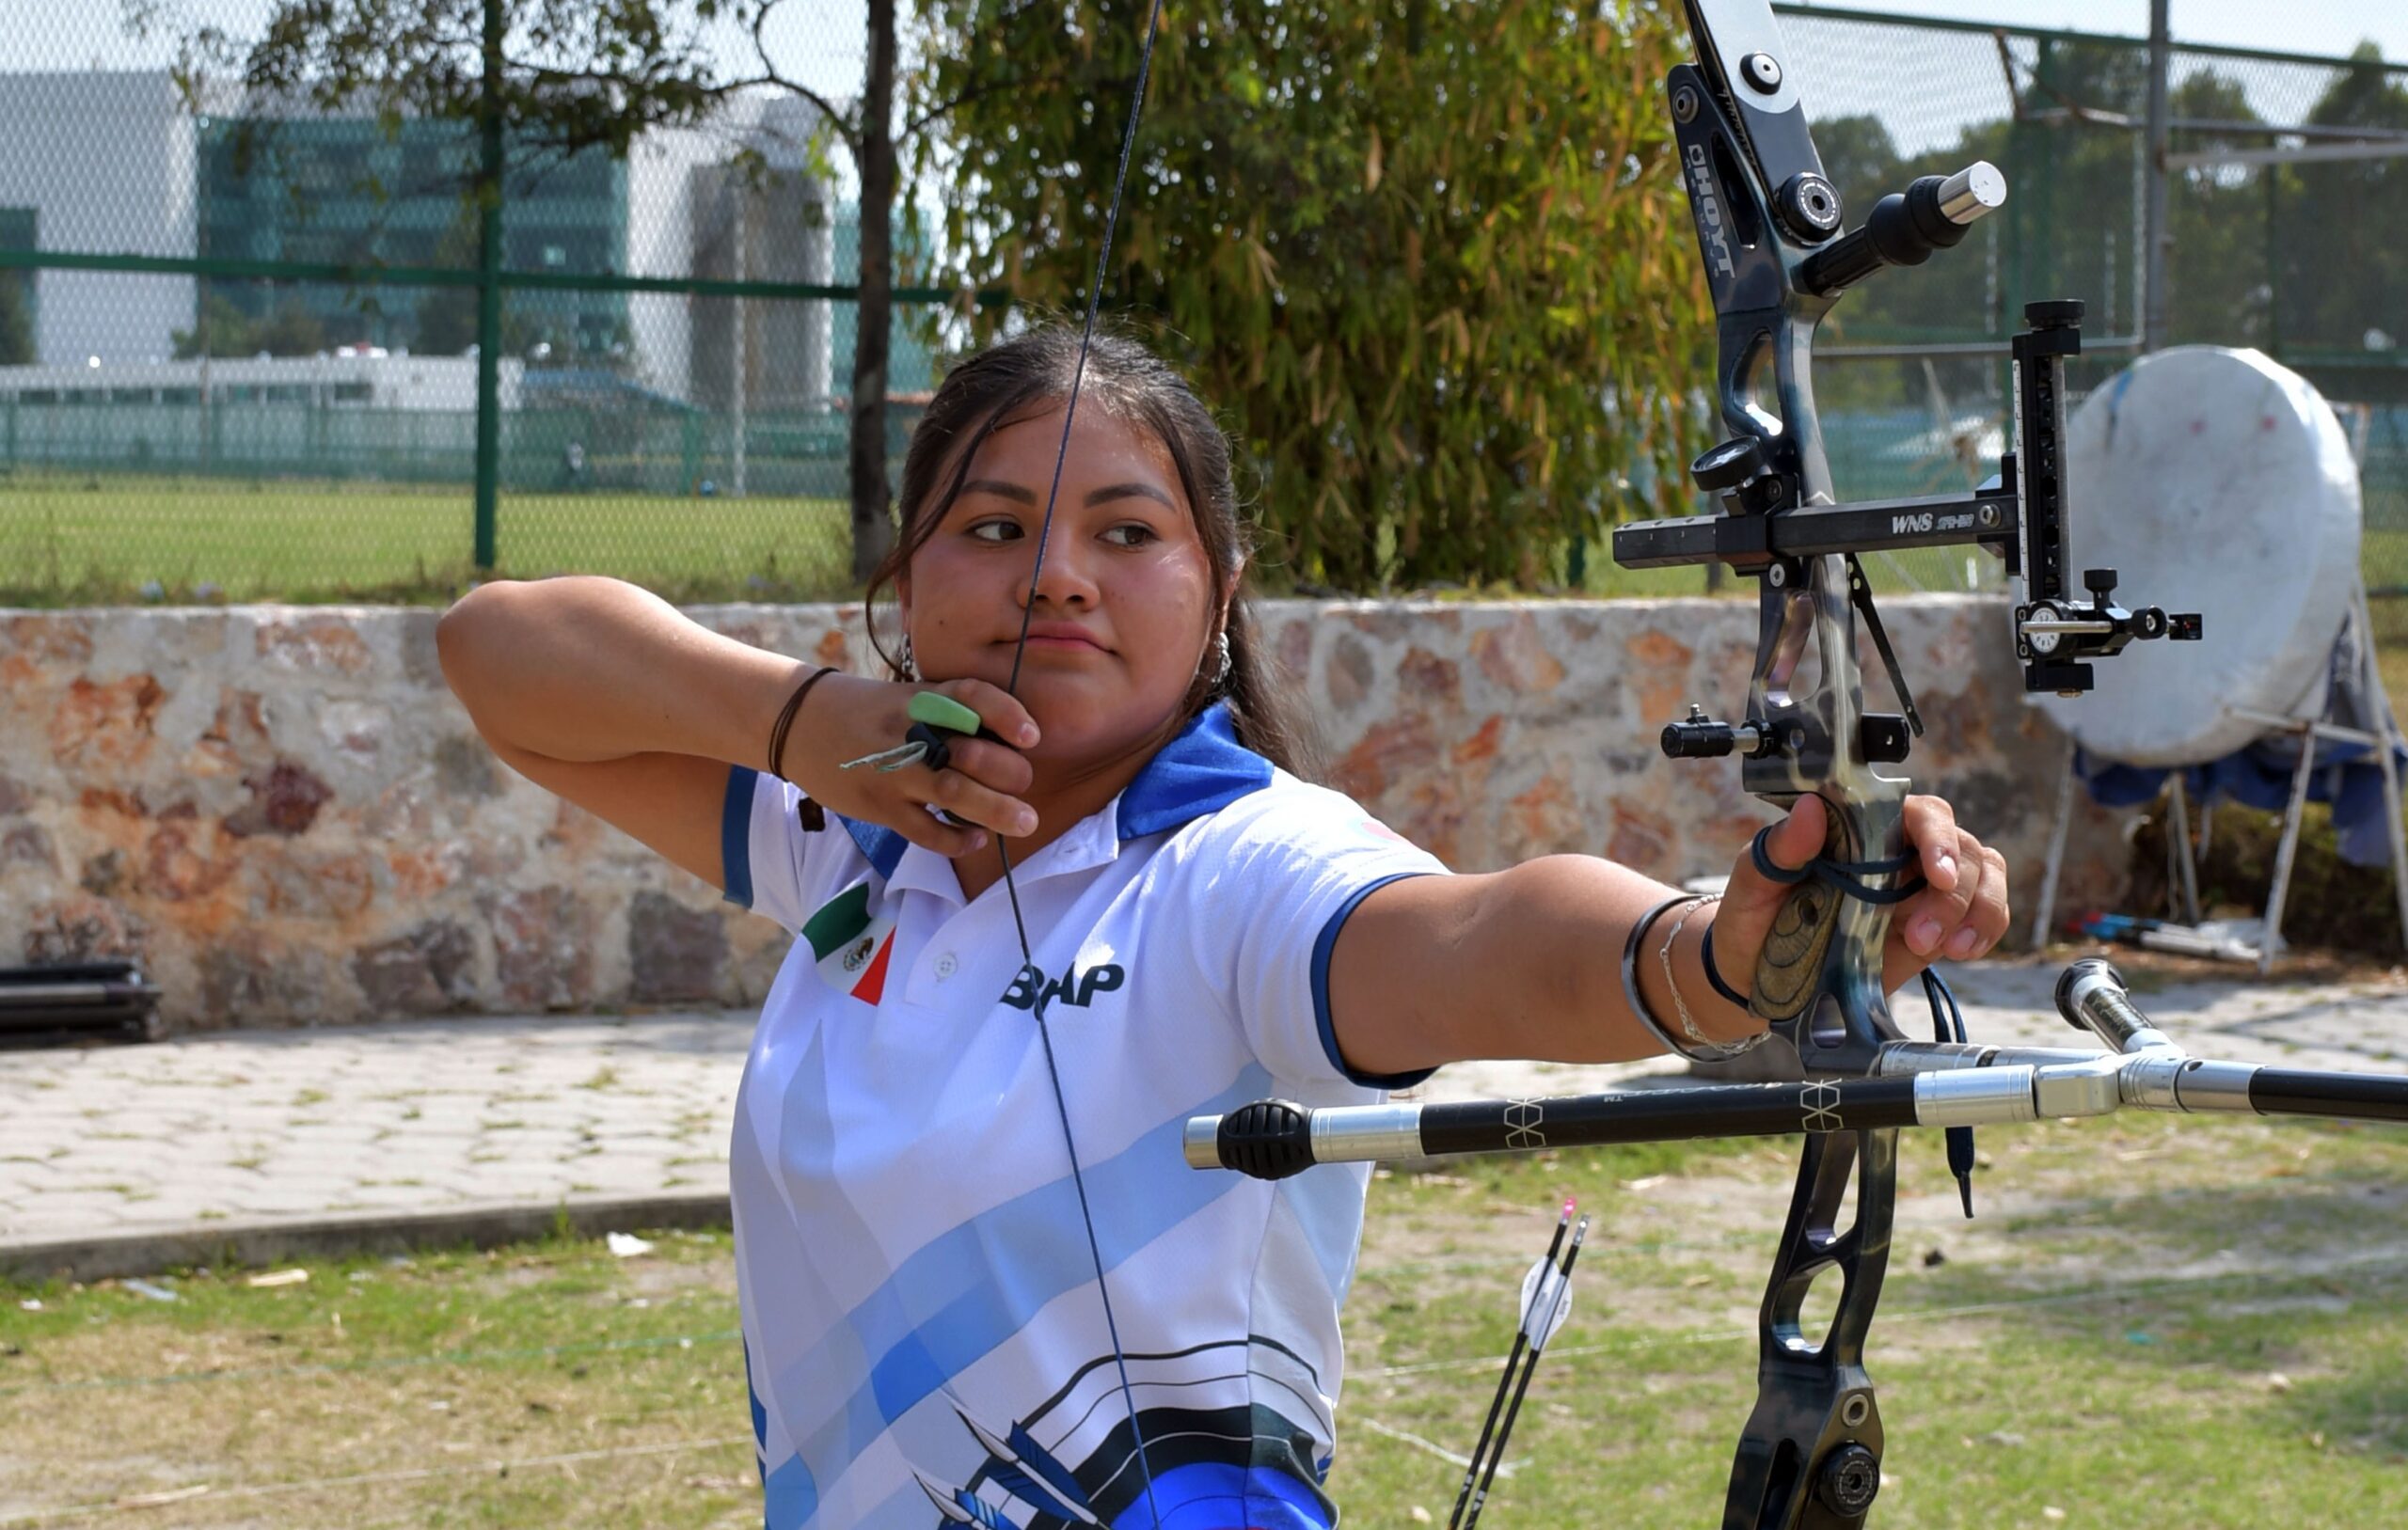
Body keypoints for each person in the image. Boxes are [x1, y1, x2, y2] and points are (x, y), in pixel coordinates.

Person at [436, 326, 2010, 1530]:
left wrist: (1722, 958)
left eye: (1128, 534)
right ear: (900, 580)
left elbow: (1476, 939)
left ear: (1218, 595)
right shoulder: (856, 838)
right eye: (989, 528)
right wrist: (800, 722)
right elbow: (499, 656)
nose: (1054, 577)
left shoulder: (1241, 865)